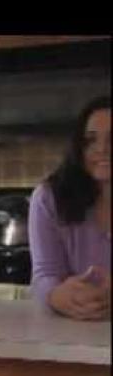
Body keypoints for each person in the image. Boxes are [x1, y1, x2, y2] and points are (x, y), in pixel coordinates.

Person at [29, 96, 111, 320]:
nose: (102, 149)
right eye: (90, 140)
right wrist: (57, 295)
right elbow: (44, 275)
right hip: (71, 337)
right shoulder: (49, 198)